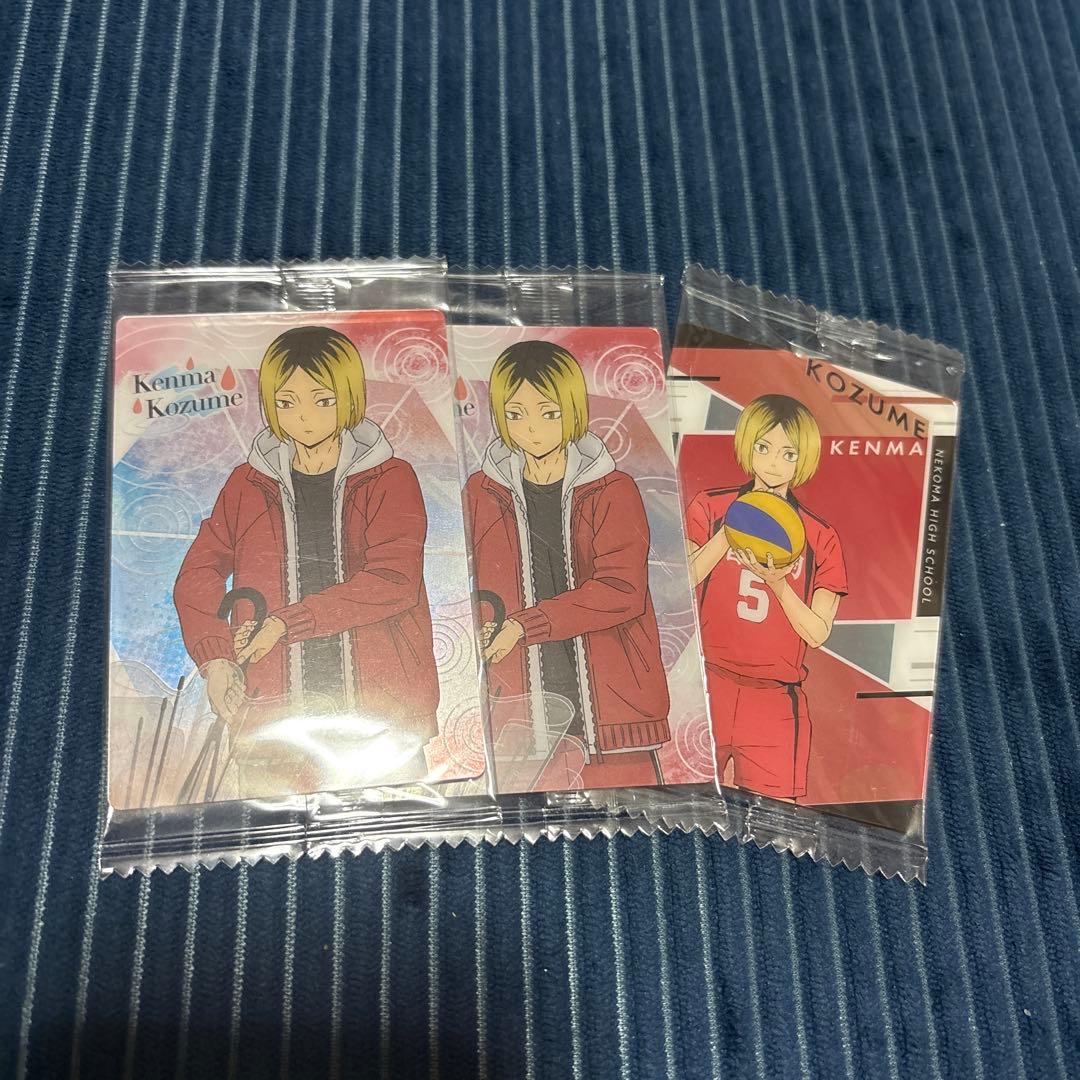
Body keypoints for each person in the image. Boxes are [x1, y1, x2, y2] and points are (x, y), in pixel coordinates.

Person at [173, 325, 439, 788]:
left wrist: (284, 624)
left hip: (383, 714)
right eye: (286, 402)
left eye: (322, 400)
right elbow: (198, 572)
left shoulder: (390, 477)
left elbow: (394, 581)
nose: (304, 418)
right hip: (270, 715)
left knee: (393, 823)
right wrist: (216, 659)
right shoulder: (246, 484)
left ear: (349, 398)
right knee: (265, 824)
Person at [464, 340, 670, 791]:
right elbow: (470, 580)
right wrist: (478, 625)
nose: (532, 429)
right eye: (515, 414)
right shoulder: (481, 491)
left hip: (612, 708)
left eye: (549, 413)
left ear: (573, 410)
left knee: (630, 818)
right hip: (520, 709)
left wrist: (522, 626)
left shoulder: (612, 488)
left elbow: (622, 591)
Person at [685, 394, 847, 800]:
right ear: (747, 446)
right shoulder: (711, 506)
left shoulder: (821, 536)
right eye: (764, 447)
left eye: (788, 454)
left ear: (803, 460)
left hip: (774, 698)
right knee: (682, 805)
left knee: (775, 822)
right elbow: (681, 581)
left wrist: (779, 585)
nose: (774, 463)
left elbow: (817, 633)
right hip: (705, 683)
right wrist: (734, 528)